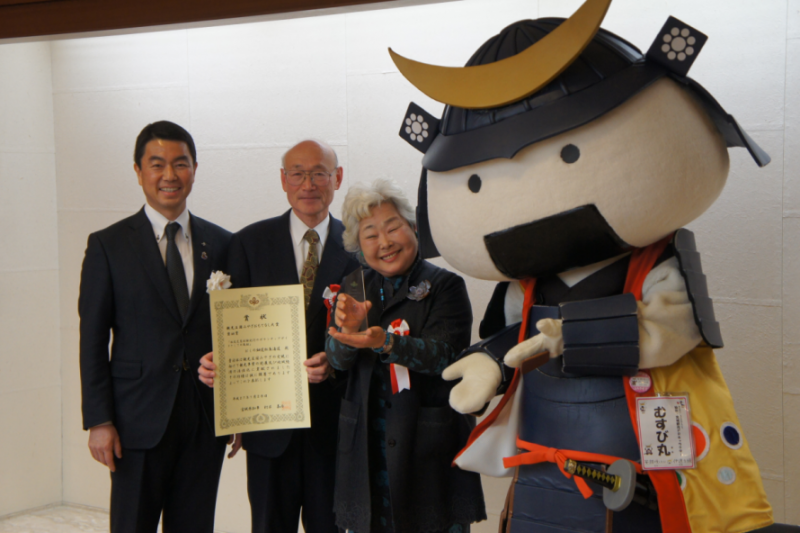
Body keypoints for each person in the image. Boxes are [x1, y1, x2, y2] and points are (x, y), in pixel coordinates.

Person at [198, 140, 361, 533]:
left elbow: (371, 334)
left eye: (319, 172)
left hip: (334, 427)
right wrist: (219, 371)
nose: (309, 183)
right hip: (268, 430)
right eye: (297, 173)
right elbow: (230, 332)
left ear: (337, 178)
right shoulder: (248, 244)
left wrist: (335, 360)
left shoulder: (360, 247)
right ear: (283, 181)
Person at [79, 121, 233, 533]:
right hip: (135, 422)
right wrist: (99, 420)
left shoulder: (222, 244)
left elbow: (235, 332)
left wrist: (239, 410)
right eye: (157, 164)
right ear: (138, 170)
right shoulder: (107, 246)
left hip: (204, 419)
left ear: (195, 169)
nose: (170, 175)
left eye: (180, 164)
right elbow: (92, 339)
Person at [325, 179, 486, 533]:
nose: (384, 242)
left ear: (412, 227)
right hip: (367, 444)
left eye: (392, 227)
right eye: (370, 234)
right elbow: (336, 361)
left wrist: (388, 344)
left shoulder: (445, 285)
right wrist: (348, 336)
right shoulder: (353, 285)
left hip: (427, 440)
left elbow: (445, 357)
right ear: (358, 245)